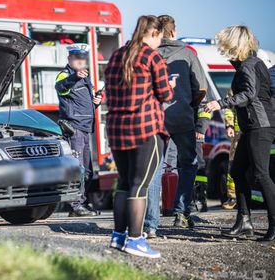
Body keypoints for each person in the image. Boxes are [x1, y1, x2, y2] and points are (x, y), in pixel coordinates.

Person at [105, 15, 174, 258]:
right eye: (160, 38)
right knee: (139, 185)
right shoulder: (151, 56)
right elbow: (165, 94)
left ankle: (119, 236)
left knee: (124, 183)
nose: (160, 43)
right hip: (145, 127)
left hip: (116, 127)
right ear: (153, 33)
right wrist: (171, 85)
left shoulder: (117, 55)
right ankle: (135, 239)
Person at [205, 25, 275, 242]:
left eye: (227, 46)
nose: (225, 51)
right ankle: (244, 221)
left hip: (260, 125)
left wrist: (220, 103)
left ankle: (273, 224)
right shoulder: (252, 63)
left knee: (261, 174)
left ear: (236, 44)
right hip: (253, 125)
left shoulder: (249, 65)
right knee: (237, 171)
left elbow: (249, 94)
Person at [143, 15, 210, 237]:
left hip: (154, 121)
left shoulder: (149, 54)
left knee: (154, 169)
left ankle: (150, 224)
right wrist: (189, 108)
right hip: (182, 118)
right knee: (188, 164)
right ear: (173, 31)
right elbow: (201, 89)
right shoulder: (188, 54)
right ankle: (181, 213)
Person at [55, 44, 103, 217]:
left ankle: (81, 202)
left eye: (83, 59)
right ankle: (75, 206)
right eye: (77, 58)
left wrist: (95, 103)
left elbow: (84, 103)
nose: (80, 61)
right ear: (69, 59)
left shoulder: (86, 79)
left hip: (85, 129)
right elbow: (61, 87)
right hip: (74, 128)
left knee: (88, 171)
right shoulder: (66, 75)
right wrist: (74, 77)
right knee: (78, 169)